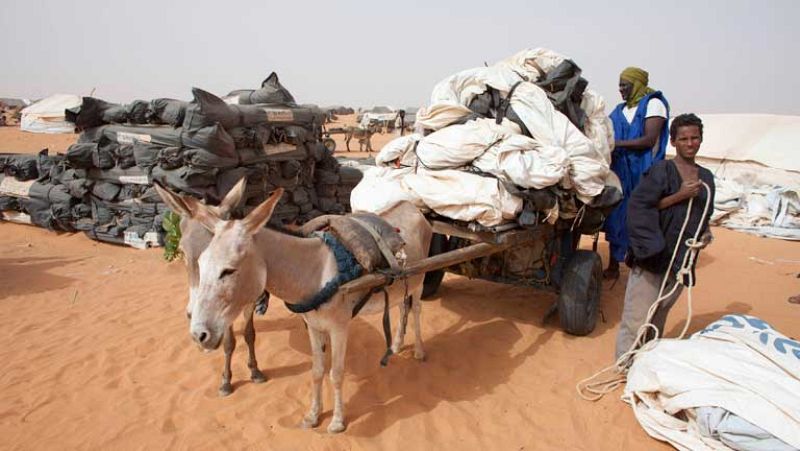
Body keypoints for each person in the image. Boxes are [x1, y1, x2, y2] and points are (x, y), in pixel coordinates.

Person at [614, 113, 715, 359]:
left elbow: (703, 215)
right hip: (653, 257)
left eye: (695, 138)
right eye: (684, 139)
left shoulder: (707, 178)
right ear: (673, 142)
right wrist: (678, 196)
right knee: (637, 319)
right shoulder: (661, 171)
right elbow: (639, 207)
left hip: (680, 263)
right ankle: (623, 368)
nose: (690, 143)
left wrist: (705, 235)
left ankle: (645, 367)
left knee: (658, 318)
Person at [604, 67, 670, 279]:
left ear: (637, 84)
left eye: (626, 85)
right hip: (620, 170)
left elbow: (648, 140)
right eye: (620, 85)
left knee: (640, 217)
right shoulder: (619, 110)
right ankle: (614, 265)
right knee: (615, 215)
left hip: (643, 170)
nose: (621, 89)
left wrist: (615, 144)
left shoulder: (653, 104)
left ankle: (640, 267)